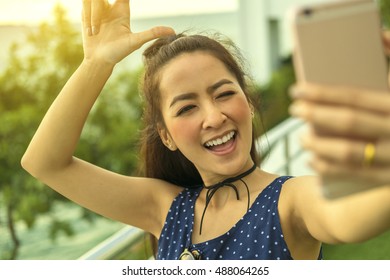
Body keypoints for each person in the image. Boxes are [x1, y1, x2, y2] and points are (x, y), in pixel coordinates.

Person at [21, 0, 390, 260]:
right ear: (165, 135)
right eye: (187, 107)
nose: (213, 118)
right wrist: (95, 62)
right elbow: (45, 163)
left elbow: (353, 217)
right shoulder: (165, 209)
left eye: (224, 94)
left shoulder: (291, 201)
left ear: (247, 101)